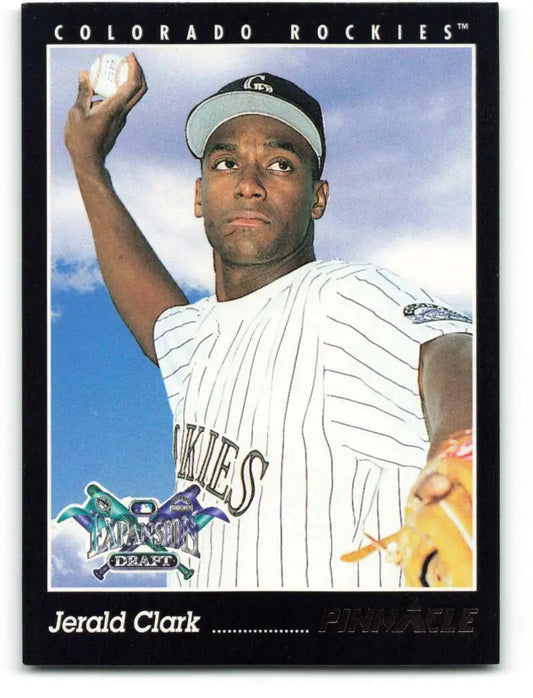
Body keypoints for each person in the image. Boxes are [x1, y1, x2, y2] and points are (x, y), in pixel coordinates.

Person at [64, 54, 473, 590]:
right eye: (226, 163)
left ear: (317, 198)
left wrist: (462, 453)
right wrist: (87, 164)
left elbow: (453, 351)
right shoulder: (200, 336)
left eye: (280, 164)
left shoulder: (343, 297)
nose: (248, 183)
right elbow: (157, 317)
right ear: (198, 194)